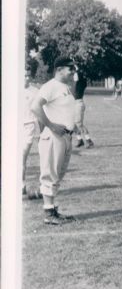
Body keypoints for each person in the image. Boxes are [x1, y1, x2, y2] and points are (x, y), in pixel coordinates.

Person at [30, 56, 77, 225]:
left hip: (65, 136)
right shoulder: (50, 86)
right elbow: (35, 107)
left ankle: (51, 208)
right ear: (59, 69)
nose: (73, 72)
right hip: (54, 136)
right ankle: (48, 213)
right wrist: (51, 125)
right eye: (70, 68)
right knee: (50, 173)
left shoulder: (65, 87)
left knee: (58, 174)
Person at [23, 72, 41, 198]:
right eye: (24, 75)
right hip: (13, 127)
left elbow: (40, 110)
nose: (27, 78)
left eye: (28, 75)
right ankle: (21, 185)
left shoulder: (35, 91)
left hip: (29, 126)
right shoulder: (11, 88)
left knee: (22, 156)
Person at [73, 70, 94, 148]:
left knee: (79, 123)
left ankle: (89, 141)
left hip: (78, 103)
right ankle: (80, 140)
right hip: (73, 104)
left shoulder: (80, 82)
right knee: (72, 125)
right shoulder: (76, 83)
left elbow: (78, 72)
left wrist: (76, 66)